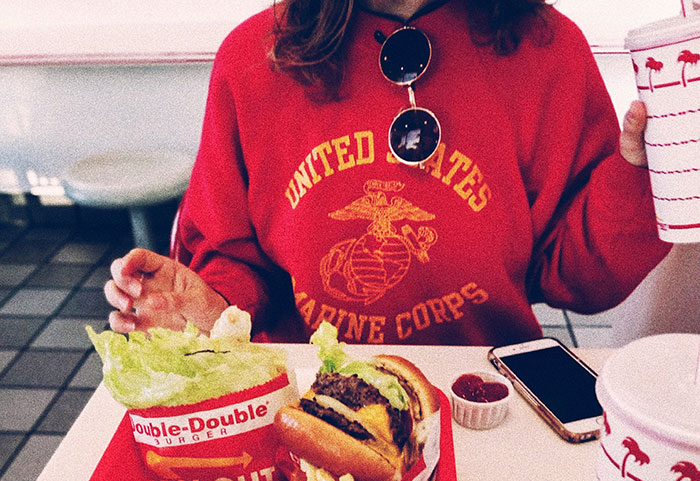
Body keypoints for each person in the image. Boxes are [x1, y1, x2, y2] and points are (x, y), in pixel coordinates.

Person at [104, 0, 671, 346]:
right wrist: (216, 308)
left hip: (488, 399)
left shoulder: (551, 49)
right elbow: (234, 254)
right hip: (308, 402)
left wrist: (642, 176)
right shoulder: (252, 59)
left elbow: (576, 274)